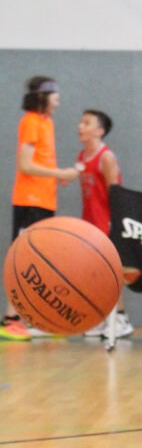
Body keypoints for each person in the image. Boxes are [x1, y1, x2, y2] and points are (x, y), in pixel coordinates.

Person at [0, 76, 79, 341]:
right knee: (23, 260)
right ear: (43, 96)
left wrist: (59, 176)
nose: (58, 101)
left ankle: (37, 318)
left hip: (45, 201)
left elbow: (42, 162)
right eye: (55, 96)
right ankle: (10, 319)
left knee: (41, 263)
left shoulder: (47, 123)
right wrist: (59, 173)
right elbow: (25, 165)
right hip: (29, 201)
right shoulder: (30, 121)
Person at [76, 109, 134, 339]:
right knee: (95, 274)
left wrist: (116, 223)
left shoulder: (106, 157)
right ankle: (103, 318)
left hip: (107, 223)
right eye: (81, 122)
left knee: (112, 272)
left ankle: (120, 318)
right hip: (89, 223)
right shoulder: (82, 156)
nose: (80, 126)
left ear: (100, 131)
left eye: (87, 123)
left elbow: (115, 192)